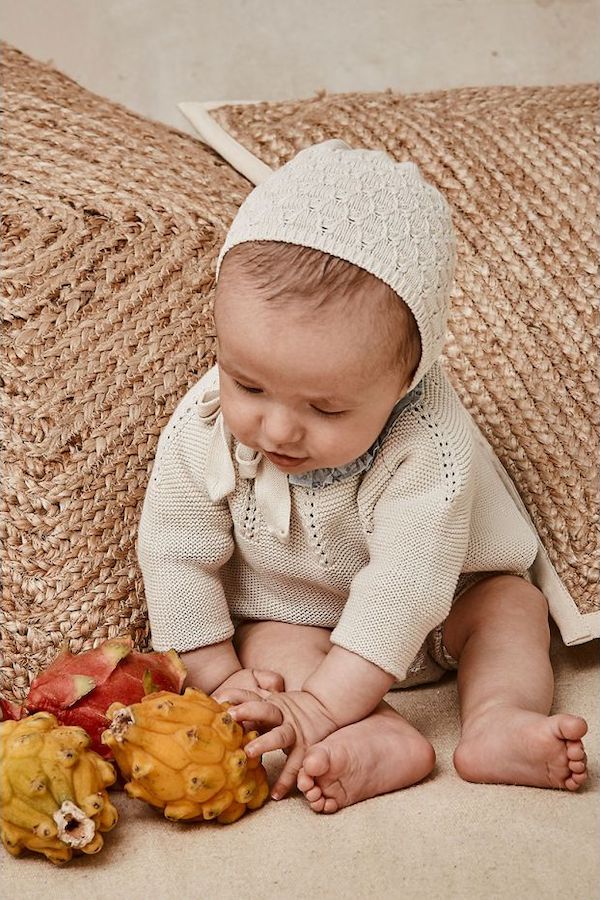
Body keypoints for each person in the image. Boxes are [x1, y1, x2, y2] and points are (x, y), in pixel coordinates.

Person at [138, 141, 588, 814]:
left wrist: (319, 706)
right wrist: (222, 681)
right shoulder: (204, 418)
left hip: (448, 606)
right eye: (250, 384)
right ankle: (380, 737)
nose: (280, 429)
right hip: (299, 612)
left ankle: (497, 720)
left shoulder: (427, 441)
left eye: (326, 408)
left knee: (512, 609)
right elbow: (173, 551)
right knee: (269, 644)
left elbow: (407, 588)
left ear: (406, 379)